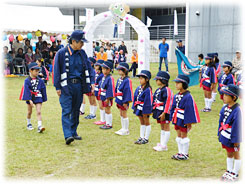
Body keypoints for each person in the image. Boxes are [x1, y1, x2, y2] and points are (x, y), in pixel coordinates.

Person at [53, 30, 94, 145]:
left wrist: (92, 81)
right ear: (74, 41)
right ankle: (67, 135)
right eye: (81, 42)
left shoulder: (82, 53)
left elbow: (89, 68)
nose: (82, 44)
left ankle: (73, 131)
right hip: (66, 85)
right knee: (66, 110)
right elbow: (56, 70)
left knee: (76, 110)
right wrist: (57, 87)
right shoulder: (61, 53)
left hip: (79, 86)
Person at [170, 74, 200, 160]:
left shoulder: (188, 96)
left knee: (184, 135)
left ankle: (185, 153)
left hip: (183, 119)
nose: (176, 85)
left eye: (178, 83)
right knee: (178, 134)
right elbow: (173, 107)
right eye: (176, 83)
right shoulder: (176, 95)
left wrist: (188, 122)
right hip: (177, 118)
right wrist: (172, 116)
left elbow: (190, 109)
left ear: (184, 84)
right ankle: (180, 152)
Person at [218, 84, 241, 181]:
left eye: (226, 95)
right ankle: (229, 170)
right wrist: (219, 133)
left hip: (233, 137)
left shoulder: (237, 110)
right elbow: (221, 121)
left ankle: (235, 173)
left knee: (236, 154)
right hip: (225, 135)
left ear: (234, 97)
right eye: (223, 94)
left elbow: (238, 127)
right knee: (228, 153)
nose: (224, 97)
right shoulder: (224, 107)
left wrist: (236, 140)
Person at [19, 62, 47, 133]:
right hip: (30, 97)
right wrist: (29, 100)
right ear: (30, 71)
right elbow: (26, 90)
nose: (37, 72)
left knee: (39, 111)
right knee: (29, 112)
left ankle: (39, 126)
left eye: (38, 71)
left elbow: (43, 89)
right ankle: (29, 124)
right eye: (35, 71)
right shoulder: (27, 81)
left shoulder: (40, 80)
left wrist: (44, 98)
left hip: (38, 96)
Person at [152, 71, 173, 151]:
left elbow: (168, 102)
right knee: (162, 127)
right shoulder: (158, 89)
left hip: (165, 112)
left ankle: (164, 145)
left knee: (166, 127)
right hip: (158, 110)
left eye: (158, 79)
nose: (156, 81)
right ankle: (161, 143)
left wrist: (165, 112)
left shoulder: (167, 90)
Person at [132, 70, 153, 145]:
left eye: (142, 78)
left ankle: (146, 138)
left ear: (147, 79)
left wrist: (147, 110)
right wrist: (135, 106)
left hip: (145, 108)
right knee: (141, 122)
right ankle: (141, 137)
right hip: (139, 107)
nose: (140, 80)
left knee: (146, 121)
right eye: (139, 78)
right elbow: (135, 97)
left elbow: (149, 100)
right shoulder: (139, 88)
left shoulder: (148, 89)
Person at [114, 62, 133, 136]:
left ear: (124, 70)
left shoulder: (127, 80)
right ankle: (122, 128)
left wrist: (126, 102)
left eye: (120, 70)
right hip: (119, 98)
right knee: (121, 113)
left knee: (124, 113)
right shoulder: (119, 79)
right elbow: (116, 89)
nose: (118, 71)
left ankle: (126, 129)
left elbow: (128, 91)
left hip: (124, 99)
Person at [98, 61, 115, 129]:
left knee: (108, 110)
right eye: (102, 69)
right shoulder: (104, 77)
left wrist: (108, 99)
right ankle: (106, 122)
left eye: (105, 69)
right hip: (103, 95)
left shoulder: (110, 78)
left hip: (107, 97)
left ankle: (109, 124)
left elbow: (110, 89)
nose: (103, 71)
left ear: (109, 70)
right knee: (105, 109)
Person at [91, 60, 106, 125]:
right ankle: (102, 119)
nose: (95, 66)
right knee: (100, 105)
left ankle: (103, 120)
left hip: (100, 91)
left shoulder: (102, 75)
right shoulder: (96, 73)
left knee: (101, 105)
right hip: (97, 91)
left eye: (97, 65)